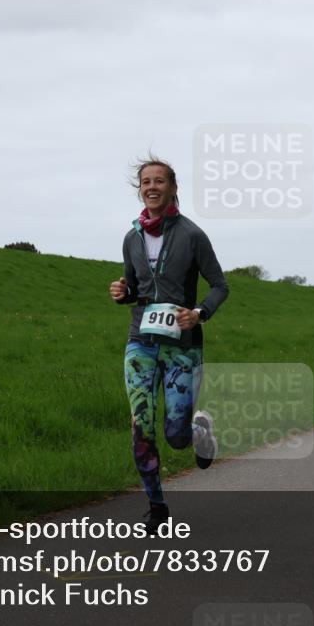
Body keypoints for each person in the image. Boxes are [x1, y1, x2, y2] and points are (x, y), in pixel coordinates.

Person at [109, 156, 228, 533]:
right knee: (141, 427)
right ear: (139, 189)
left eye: (160, 181)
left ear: (173, 188)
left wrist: (199, 312)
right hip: (140, 343)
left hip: (182, 345)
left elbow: (220, 286)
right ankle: (157, 507)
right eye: (146, 182)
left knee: (176, 435)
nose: (152, 187)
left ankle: (199, 432)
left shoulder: (192, 235)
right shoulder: (131, 238)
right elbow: (135, 288)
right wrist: (123, 293)